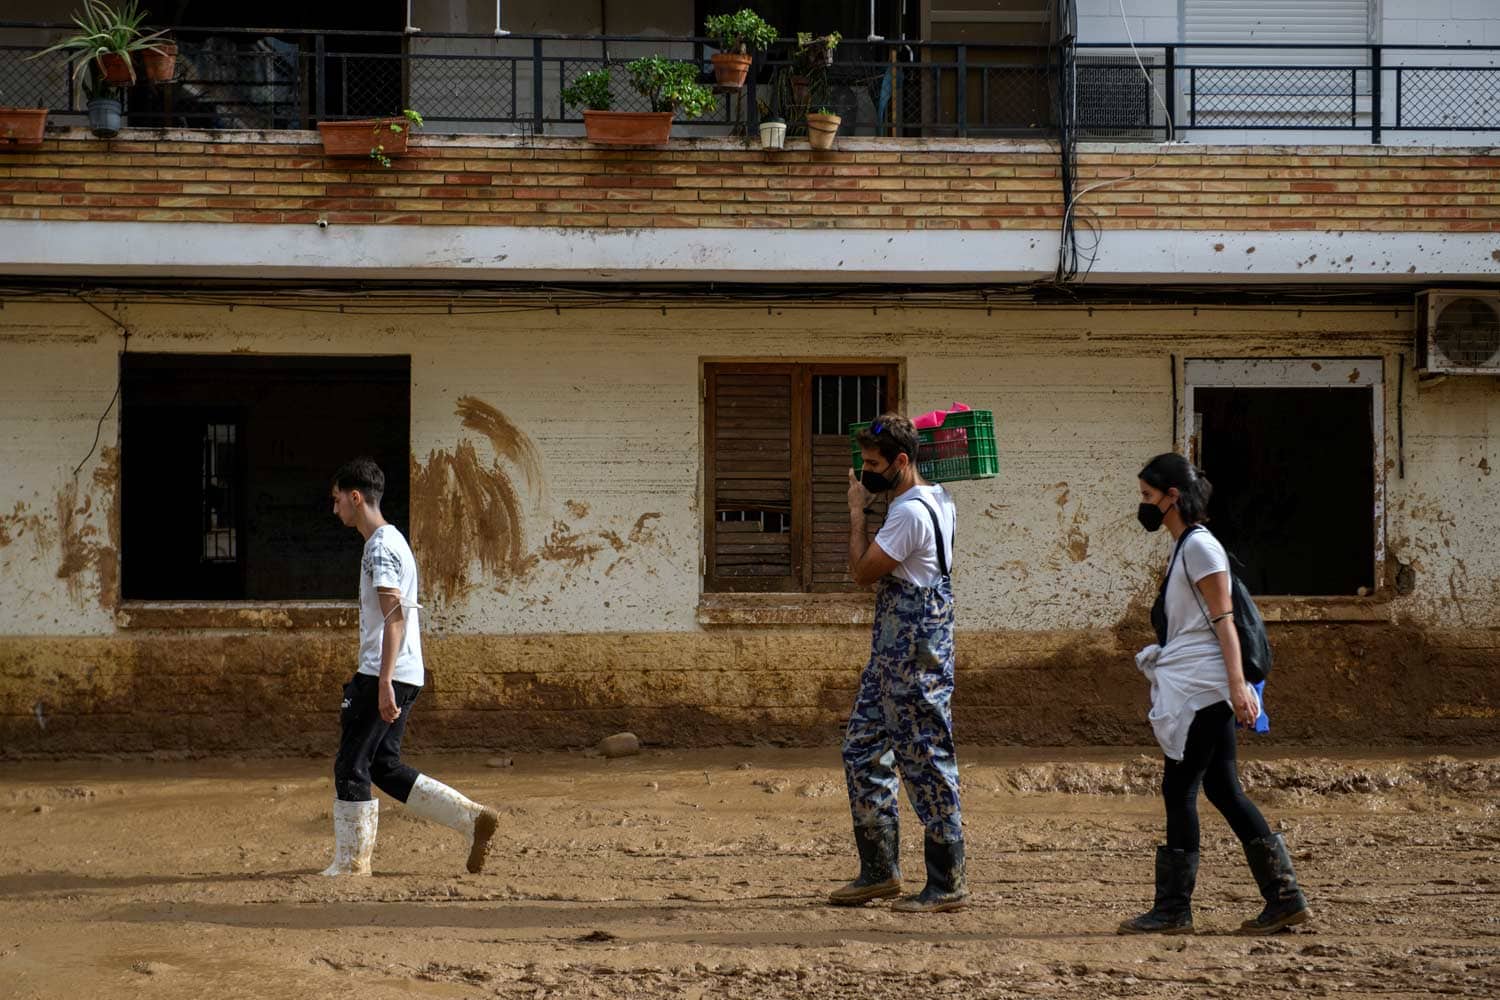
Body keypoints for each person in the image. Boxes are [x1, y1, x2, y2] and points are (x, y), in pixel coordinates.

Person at [1120, 453, 1311, 935]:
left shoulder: (1200, 547)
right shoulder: (1186, 546)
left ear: (1172, 497)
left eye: (1147, 496)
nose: (1143, 505)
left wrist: (1235, 685)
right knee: (1223, 789)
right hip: (1204, 681)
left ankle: (1172, 910)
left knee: (1179, 789)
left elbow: (1224, 621)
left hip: (1205, 686)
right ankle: (1284, 898)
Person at [321, 457, 500, 876]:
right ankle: (470, 819)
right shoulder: (395, 540)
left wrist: (382, 681)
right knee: (384, 766)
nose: (335, 511)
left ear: (355, 497)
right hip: (406, 672)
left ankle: (351, 865)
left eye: (337, 502)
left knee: (352, 766)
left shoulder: (380, 547)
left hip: (383, 672)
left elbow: (394, 616)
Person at [830, 414, 967, 913]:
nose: (865, 473)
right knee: (861, 747)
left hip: (913, 656)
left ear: (901, 462)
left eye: (872, 464)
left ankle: (946, 880)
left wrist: (855, 513)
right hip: (891, 655)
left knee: (925, 758)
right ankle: (878, 871)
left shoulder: (909, 512)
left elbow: (863, 573)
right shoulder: (939, 497)